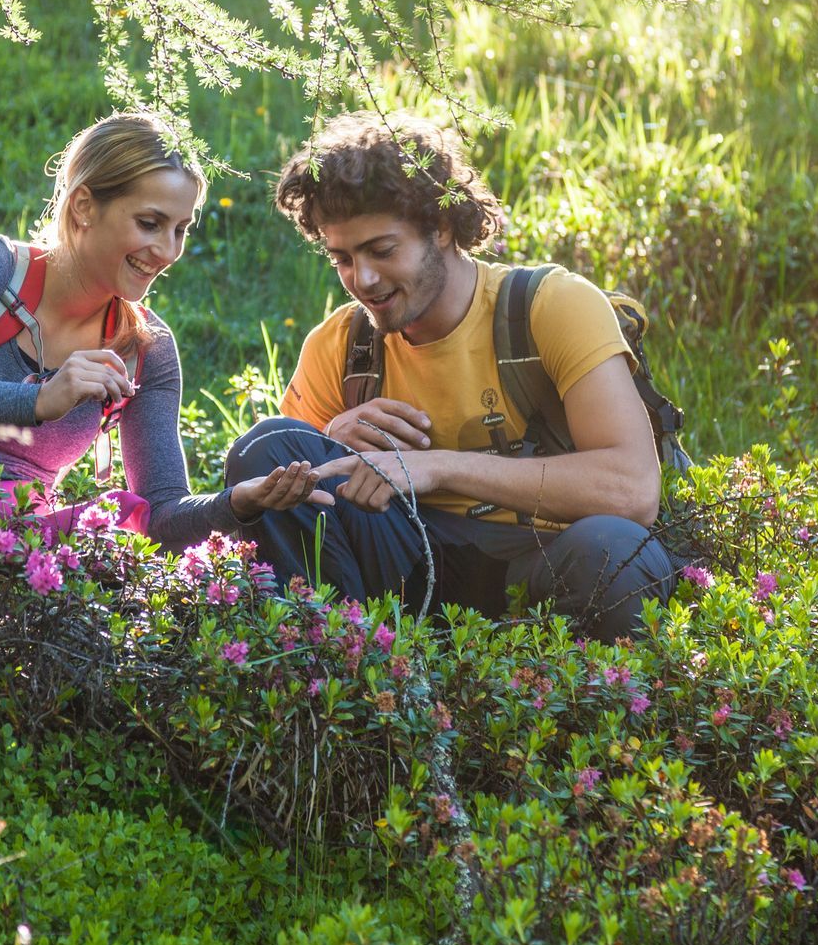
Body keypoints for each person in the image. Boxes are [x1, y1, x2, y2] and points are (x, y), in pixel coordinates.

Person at [226, 113, 680, 639]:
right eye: (342, 258)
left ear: (441, 227)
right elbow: (273, 500)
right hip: (403, 566)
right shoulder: (340, 346)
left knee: (612, 551)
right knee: (271, 447)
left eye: (381, 250)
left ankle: (578, 707)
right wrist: (326, 447)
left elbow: (632, 490)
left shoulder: (551, 308)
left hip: (543, 563)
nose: (363, 280)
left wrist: (438, 467)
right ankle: (350, 674)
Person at [0, 111, 329, 549]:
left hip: (8, 544)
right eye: (150, 224)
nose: (169, 252)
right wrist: (36, 402)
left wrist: (235, 504)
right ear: (84, 206)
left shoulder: (145, 347)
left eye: (181, 230)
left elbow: (163, 513)